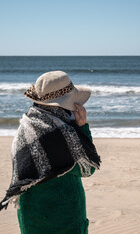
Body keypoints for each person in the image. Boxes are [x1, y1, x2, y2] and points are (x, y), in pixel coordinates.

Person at [0, 71, 101, 234]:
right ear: (64, 103)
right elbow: (87, 168)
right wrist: (83, 127)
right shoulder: (65, 134)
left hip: (30, 216)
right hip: (64, 216)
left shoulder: (25, 128)